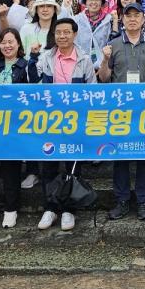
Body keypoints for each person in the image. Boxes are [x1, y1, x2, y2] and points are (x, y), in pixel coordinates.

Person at [98, 2, 145, 221]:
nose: (132, 19)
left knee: (144, 157)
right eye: (128, 15)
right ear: (122, 19)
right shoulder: (113, 45)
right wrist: (105, 59)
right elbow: (103, 78)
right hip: (120, 111)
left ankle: (143, 201)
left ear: (143, 19)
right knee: (120, 156)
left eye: (136, 15)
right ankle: (122, 200)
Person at [34, 18, 96, 231]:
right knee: (49, 165)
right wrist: (33, 58)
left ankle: (69, 210)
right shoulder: (46, 58)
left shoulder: (84, 60)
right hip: (50, 121)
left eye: (66, 32)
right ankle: (50, 208)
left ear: (74, 34)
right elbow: (33, 83)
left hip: (75, 121)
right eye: (58, 32)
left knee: (73, 166)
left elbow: (92, 90)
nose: (62, 36)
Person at [0, 28, 37, 228]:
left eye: (11, 41)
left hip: (14, 127)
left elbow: (33, 89)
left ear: (19, 44)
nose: (7, 46)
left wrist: (34, 59)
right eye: (3, 42)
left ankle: (11, 209)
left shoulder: (26, 65)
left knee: (11, 168)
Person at [73, 0, 113, 69]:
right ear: (85, 2)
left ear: (102, 2)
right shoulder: (77, 20)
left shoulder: (109, 20)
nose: (94, 2)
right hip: (80, 66)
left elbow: (110, 42)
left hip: (102, 66)